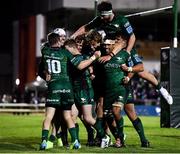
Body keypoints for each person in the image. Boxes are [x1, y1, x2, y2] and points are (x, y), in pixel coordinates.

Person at [39, 32, 100, 150]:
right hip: (67, 88)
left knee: (49, 116)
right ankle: (76, 141)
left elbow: (44, 47)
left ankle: (44, 142)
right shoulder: (65, 52)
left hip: (54, 86)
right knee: (68, 116)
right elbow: (78, 65)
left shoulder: (45, 52)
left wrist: (46, 72)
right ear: (59, 41)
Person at [71, 0, 136, 62]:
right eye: (101, 15)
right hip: (108, 46)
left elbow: (132, 37)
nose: (101, 18)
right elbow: (86, 28)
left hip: (122, 47)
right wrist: (73, 36)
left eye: (103, 15)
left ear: (109, 12)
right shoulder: (100, 19)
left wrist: (127, 52)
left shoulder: (122, 20)